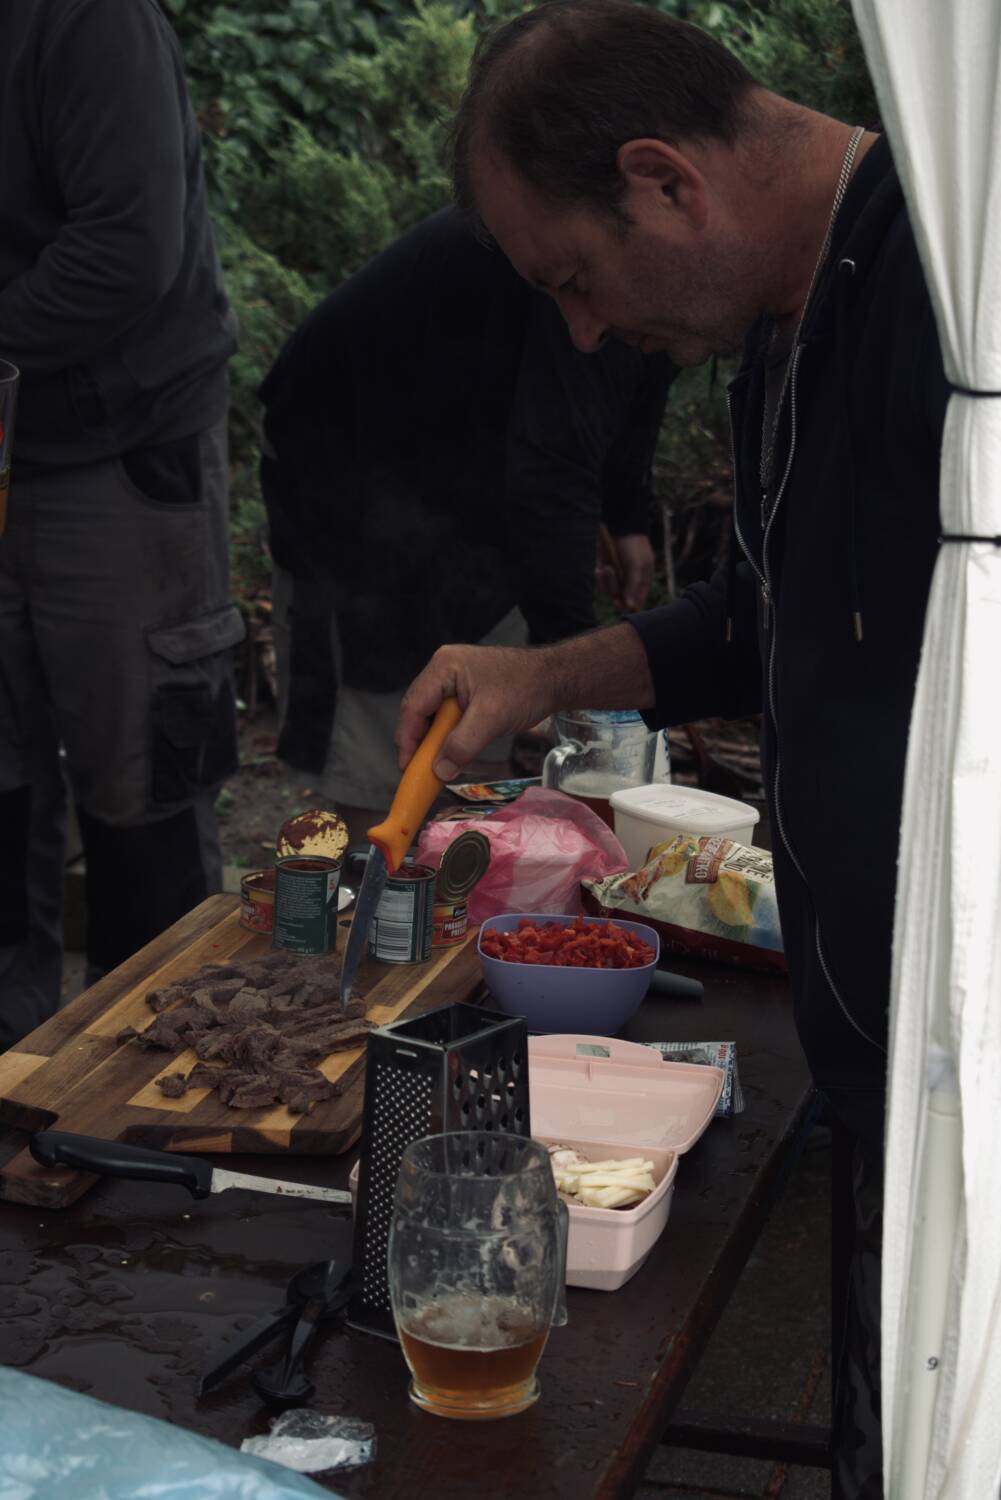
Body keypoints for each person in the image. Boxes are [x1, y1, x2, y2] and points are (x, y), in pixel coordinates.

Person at [395, 5, 949, 1495]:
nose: (582, 332)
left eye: (573, 279)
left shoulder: (949, 298)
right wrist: (542, 675)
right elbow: (762, 617)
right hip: (880, 1071)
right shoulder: (786, 324)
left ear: (662, 180)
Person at [259, 206, 674, 816]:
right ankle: (373, 855)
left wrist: (627, 511)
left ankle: (463, 848)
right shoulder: (592, 238)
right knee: (389, 765)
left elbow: (640, 369)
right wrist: (581, 669)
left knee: (475, 740)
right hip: (350, 471)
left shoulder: (663, 258)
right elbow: (554, 470)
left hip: (481, 481)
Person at [0, 0, 241, 1049]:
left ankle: (155, 1070)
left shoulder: (84, 17)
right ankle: (14, 1068)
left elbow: (126, 248)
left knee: (142, 777)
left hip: (119, 453)